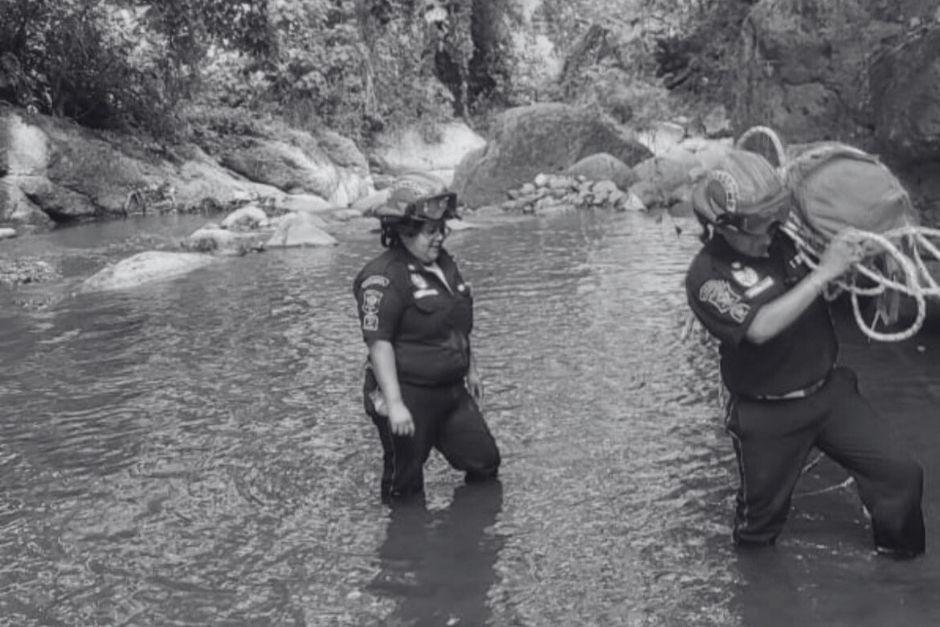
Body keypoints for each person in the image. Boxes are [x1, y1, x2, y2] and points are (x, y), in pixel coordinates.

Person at [684, 149, 925, 557]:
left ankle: (902, 572)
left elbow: (835, 243)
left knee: (900, 475)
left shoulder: (787, 239)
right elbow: (759, 328)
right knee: (759, 527)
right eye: (757, 226)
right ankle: (759, 601)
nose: (768, 233)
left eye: (774, 219)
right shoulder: (708, 277)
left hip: (830, 394)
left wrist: (865, 256)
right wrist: (824, 272)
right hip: (768, 413)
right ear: (722, 225)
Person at [353, 180, 501, 501]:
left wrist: (471, 369)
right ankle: (404, 544)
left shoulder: (445, 264)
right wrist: (394, 405)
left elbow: (458, 320)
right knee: (405, 488)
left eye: (441, 228)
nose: (439, 237)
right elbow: (379, 344)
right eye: (430, 231)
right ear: (404, 231)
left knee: (485, 462)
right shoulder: (383, 278)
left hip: (450, 391)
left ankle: (465, 533)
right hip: (407, 393)